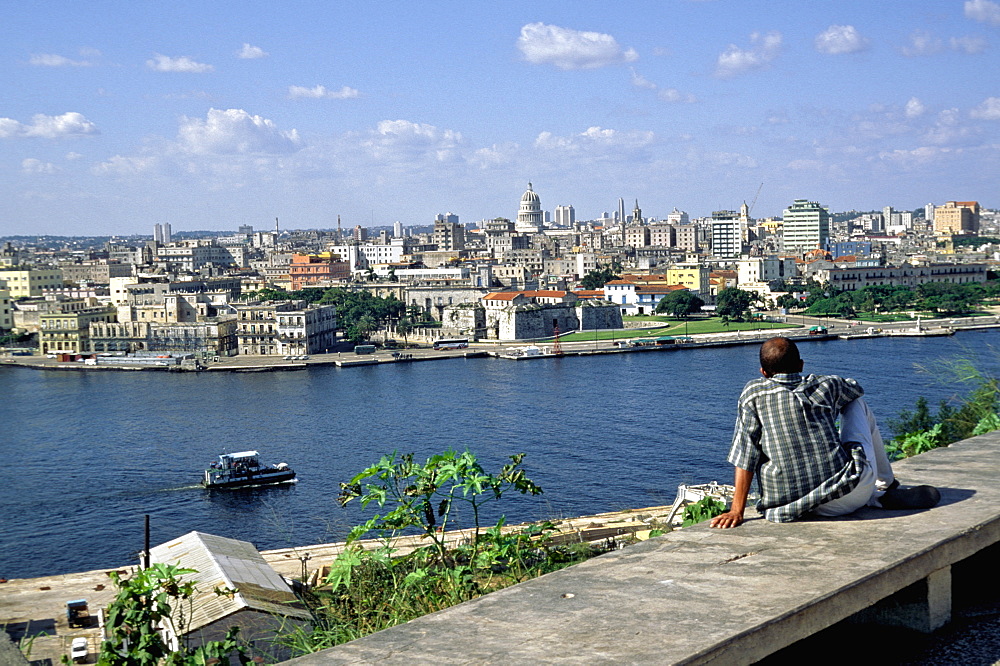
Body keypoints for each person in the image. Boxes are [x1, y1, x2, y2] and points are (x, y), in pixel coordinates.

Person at [711, 337, 939, 528]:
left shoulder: (752, 394)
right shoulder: (827, 385)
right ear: (801, 365)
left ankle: (878, 494)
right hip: (846, 497)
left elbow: (746, 454)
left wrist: (736, 511)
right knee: (856, 403)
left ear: (763, 372)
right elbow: (856, 389)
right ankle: (884, 487)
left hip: (788, 505)